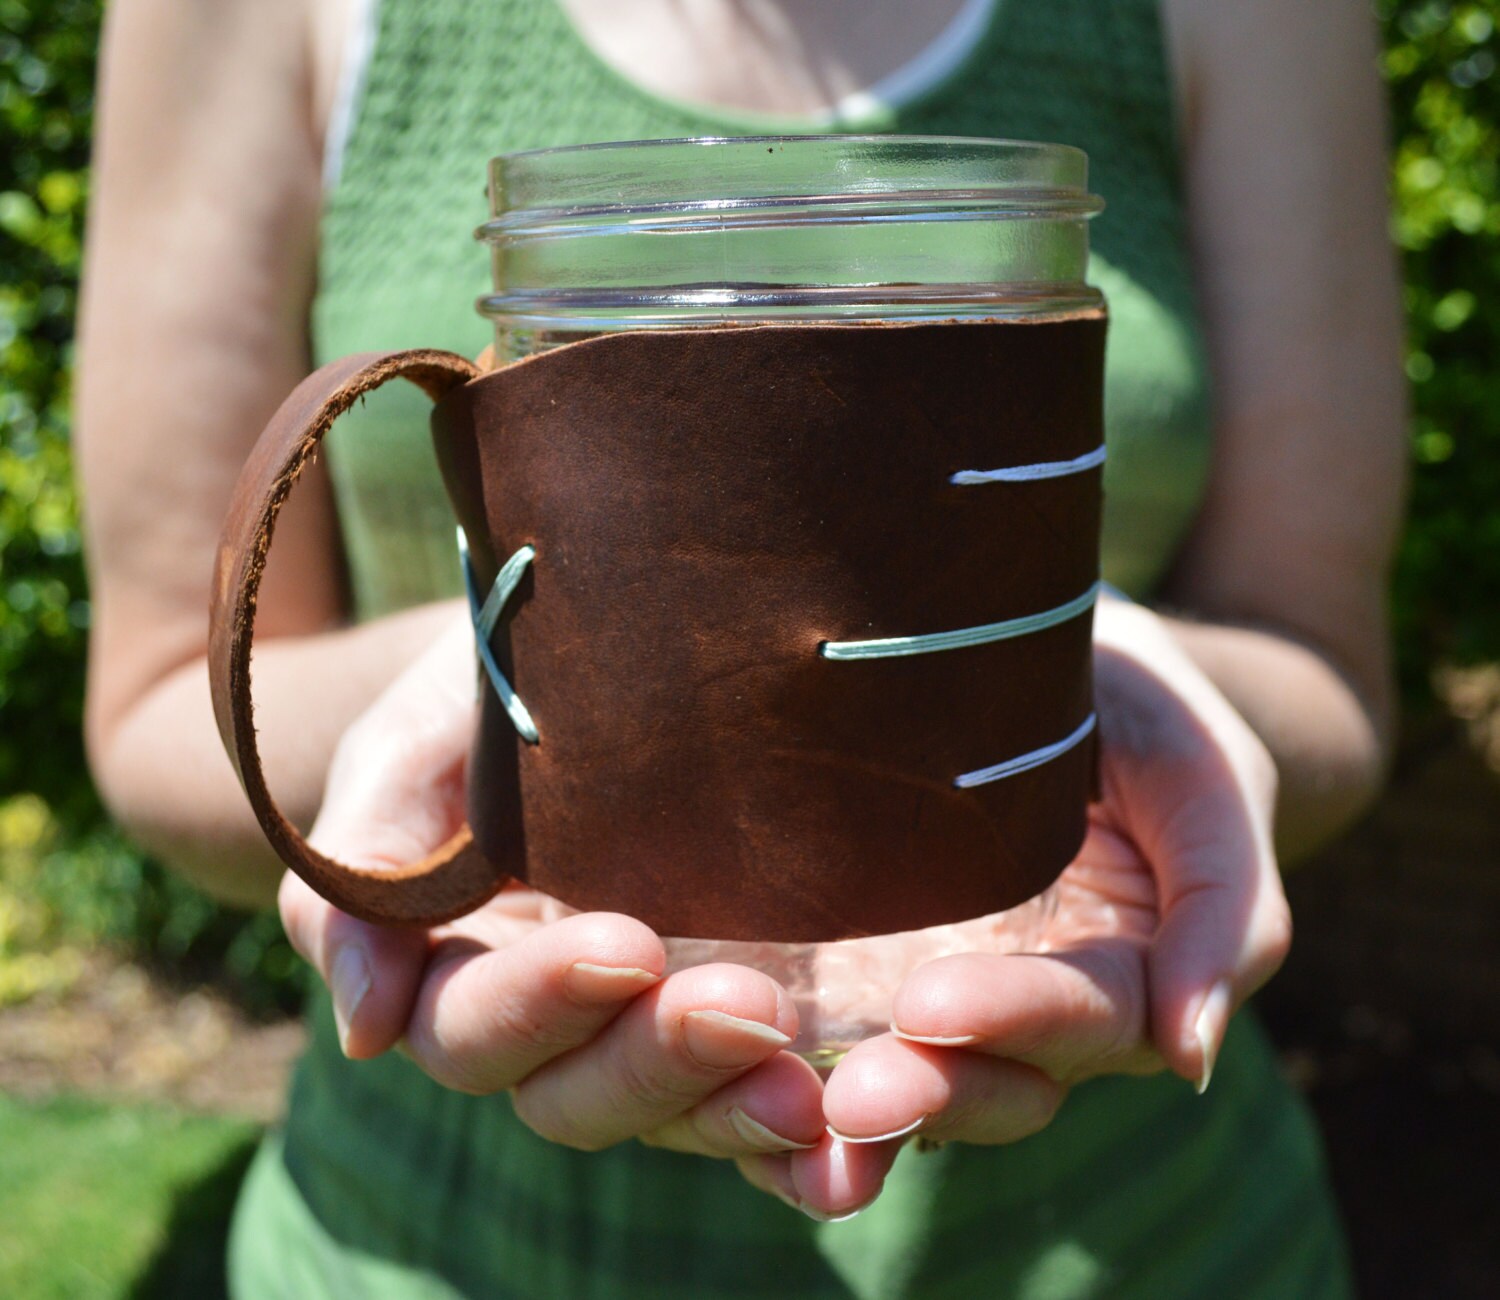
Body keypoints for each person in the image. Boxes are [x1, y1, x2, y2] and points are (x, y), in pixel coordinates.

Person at [77, 0, 1406, 1294]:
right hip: (428, 1249)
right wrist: (531, 669)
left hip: (1151, 1243)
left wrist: (1118, 670)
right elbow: (156, 718)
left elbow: (1326, 675)